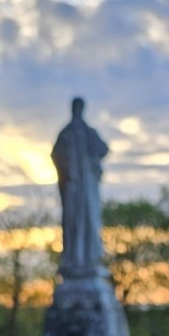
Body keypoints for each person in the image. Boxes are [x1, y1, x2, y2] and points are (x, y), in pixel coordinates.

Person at [51, 97, 109, 277]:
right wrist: (68, 173)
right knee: (73, 223)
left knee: (88, 221)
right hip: (73, 188)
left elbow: (103, 149)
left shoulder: (87, 132)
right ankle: (74, 259)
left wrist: (89, 162)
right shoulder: (66, 133)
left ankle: (88, 259)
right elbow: (55, 155)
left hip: (86, 189)